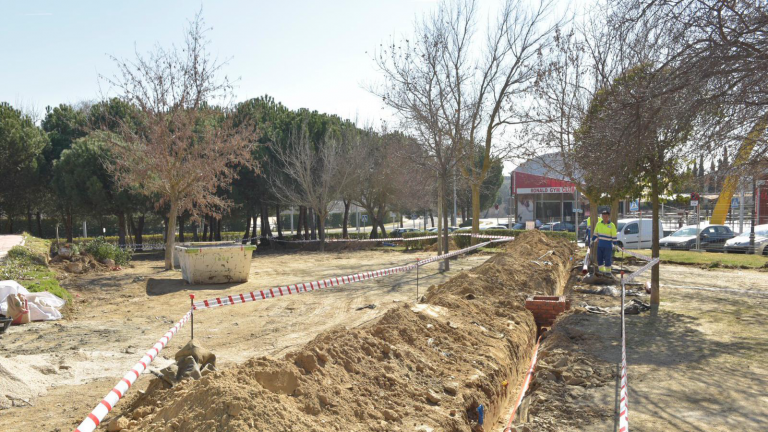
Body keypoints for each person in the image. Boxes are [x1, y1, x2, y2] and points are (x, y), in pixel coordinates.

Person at [591, 210, 617, 276]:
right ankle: (601, 271)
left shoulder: (612, 225)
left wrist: (615, 244)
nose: (605, 218)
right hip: (600, 246)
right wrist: (592, 241)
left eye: (606, 216)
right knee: (599, 259)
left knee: (607, 259)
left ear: (608, 216)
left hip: (608, 246)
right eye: (603, 216)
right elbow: (595, 234)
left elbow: (614, 236)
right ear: (602, 216)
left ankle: (608, 272)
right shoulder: (598, 224)